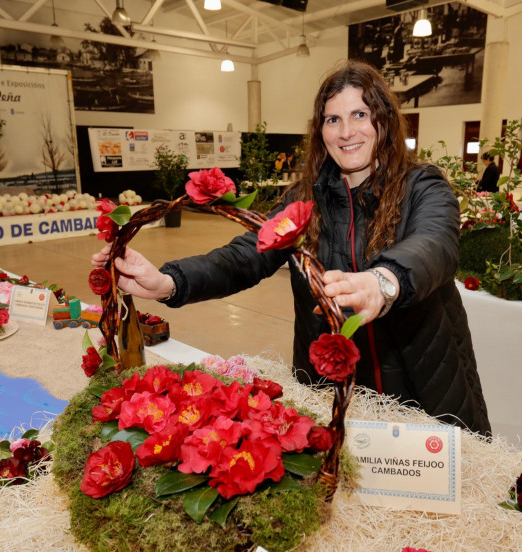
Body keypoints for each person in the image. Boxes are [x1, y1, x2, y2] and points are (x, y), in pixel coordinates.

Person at [92, 61, 490, 436]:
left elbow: (435, 244)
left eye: (360, 115)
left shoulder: (423, 185)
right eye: (333, 119)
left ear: (383, 120)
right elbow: (246, 255)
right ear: (321, 131)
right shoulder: (305, 200)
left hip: (425, 387)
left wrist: (384, 281)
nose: (346, 131)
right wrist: (168, 282)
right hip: (331, 391)